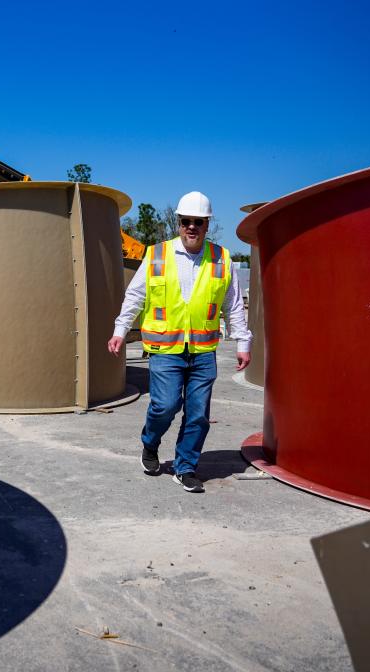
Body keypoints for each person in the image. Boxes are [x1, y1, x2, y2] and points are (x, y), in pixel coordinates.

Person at [107, 191, 251, 493]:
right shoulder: (157, 254)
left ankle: (185, 467)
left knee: (198, 415)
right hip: (165, 350)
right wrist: (120, 330)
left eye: (198, 222)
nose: (192, 227)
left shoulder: (221, 259)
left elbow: (234, 304)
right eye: (186, 221)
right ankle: (150, 442)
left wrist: (243, 341)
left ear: (207, 224)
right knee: (165, 405)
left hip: (203, 352)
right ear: (178, 223)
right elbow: (135, 296)